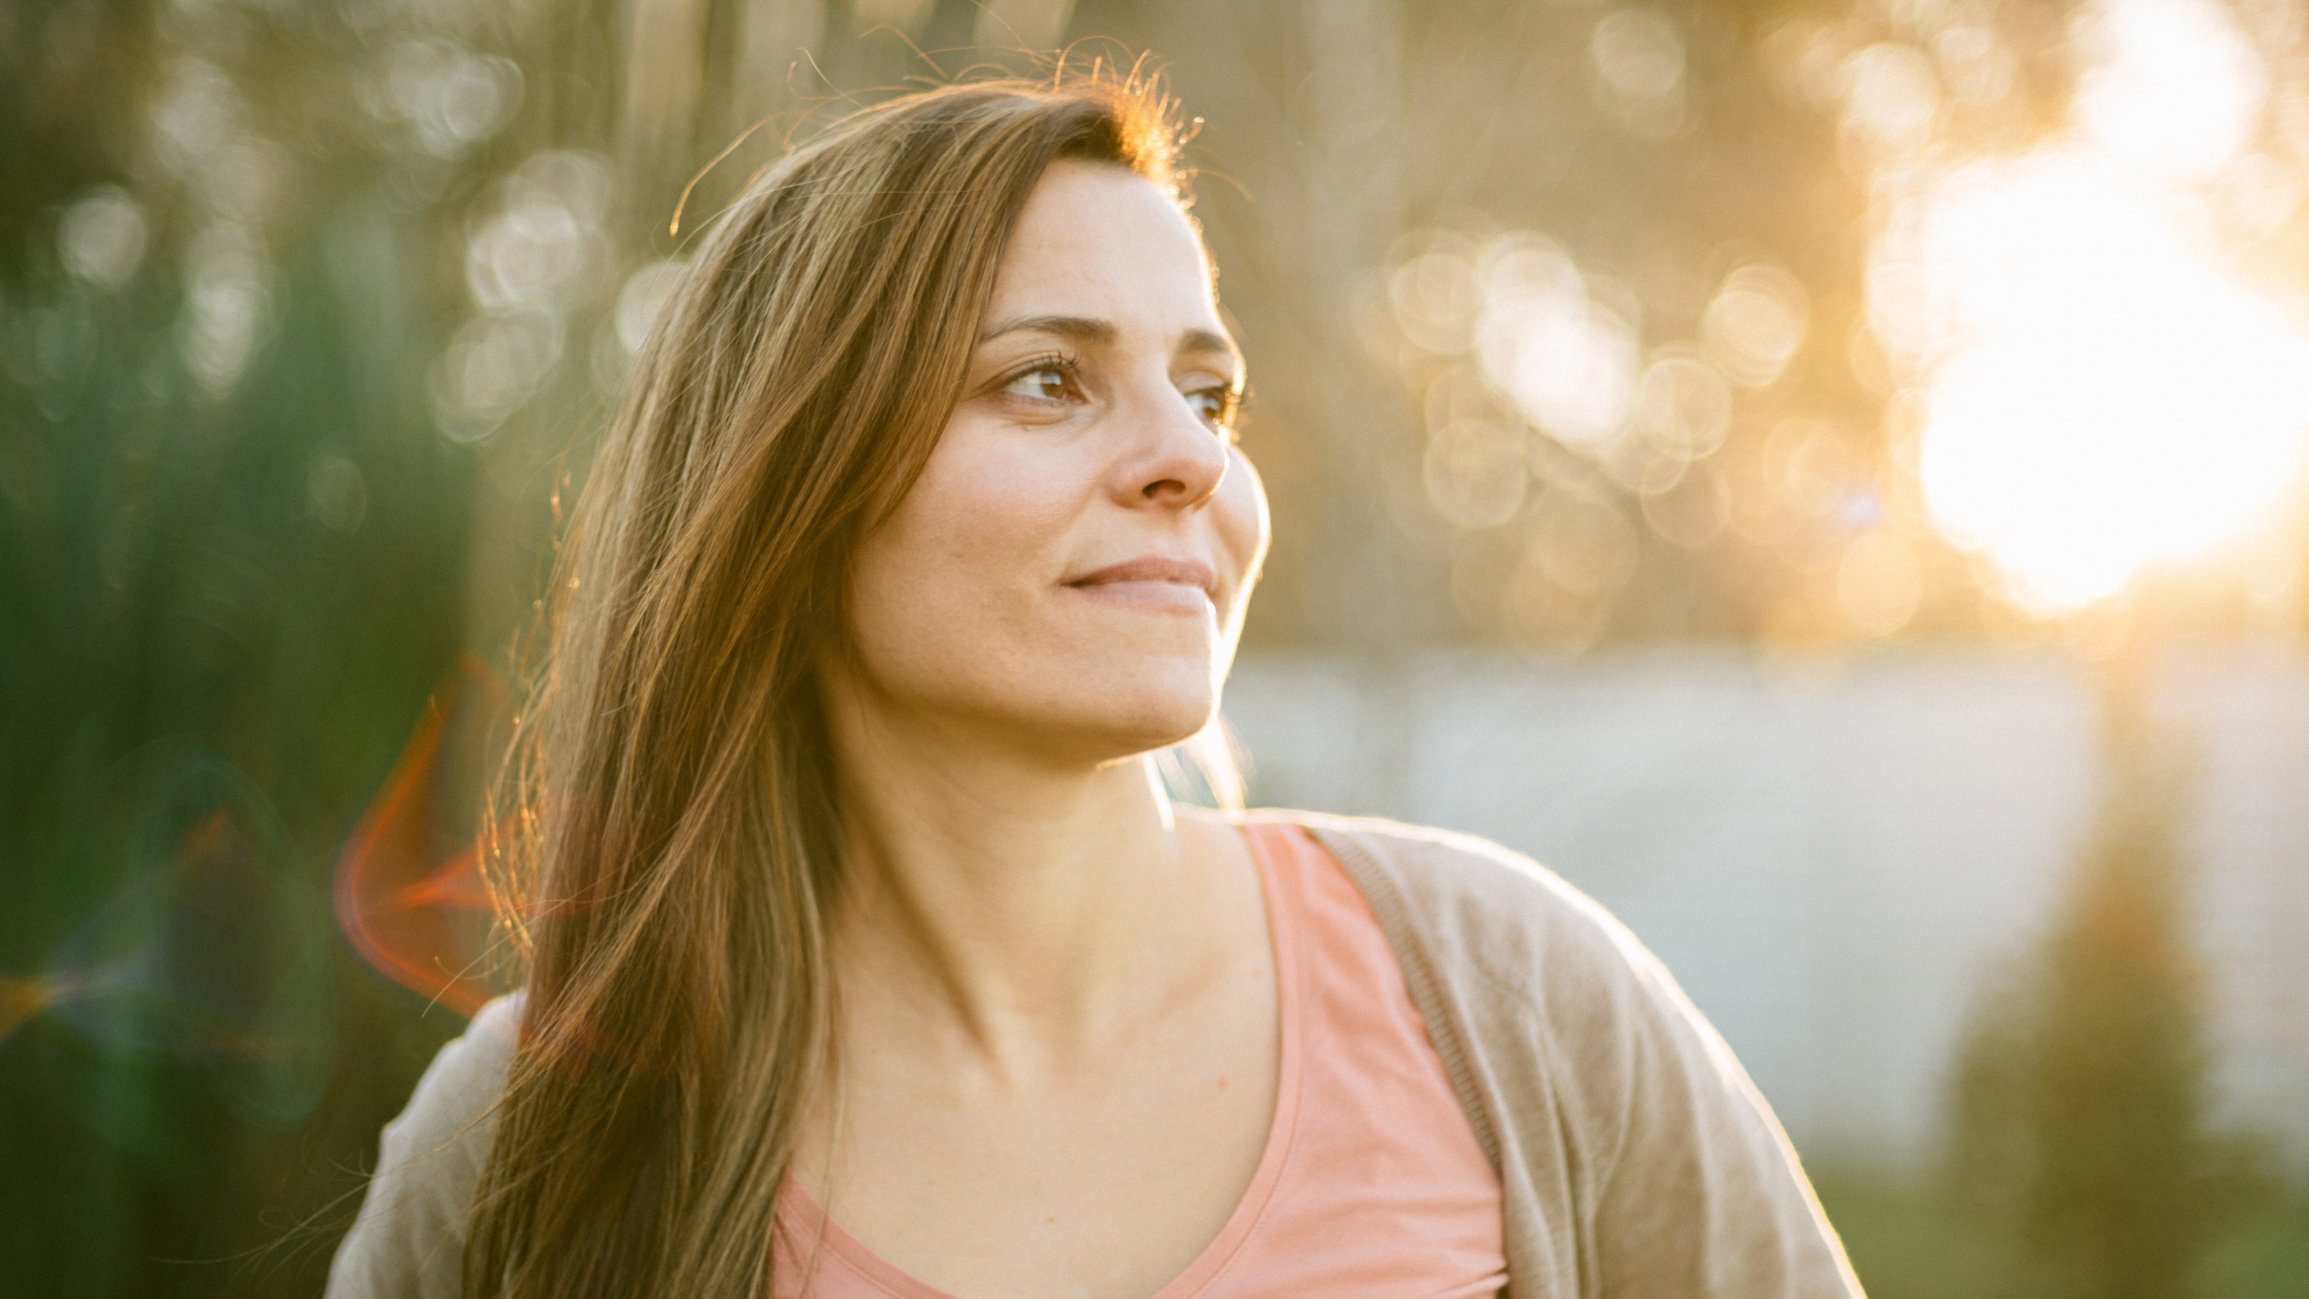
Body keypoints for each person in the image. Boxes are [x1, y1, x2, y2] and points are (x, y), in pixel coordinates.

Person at [327, 73, 1865, 1299]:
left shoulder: (1506, 997)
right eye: (1046, 380)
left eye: (1206, 392)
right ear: (786, 488)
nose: (1193, 455)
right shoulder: (526, 1132)